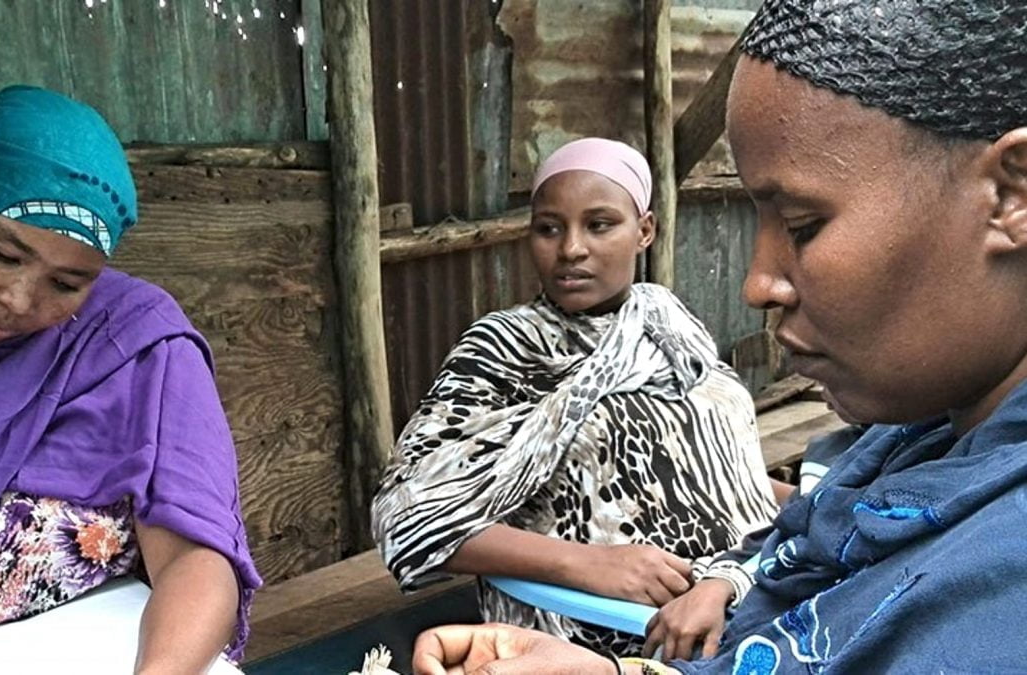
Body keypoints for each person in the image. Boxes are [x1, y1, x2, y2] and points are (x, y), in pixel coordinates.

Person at [409, 0, 1027, 672]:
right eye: (549, 227)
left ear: (1009, 196)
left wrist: (720, 579)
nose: (757, 285)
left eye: (801, 225)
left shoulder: (675, 331)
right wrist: (606, 628)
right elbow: (418, 517)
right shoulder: (916, 443)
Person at [372, 137, 779, 656]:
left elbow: (704, 464)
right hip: (585, 636)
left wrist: (813, 497)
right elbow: (406, 513)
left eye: (599, 224)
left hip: (737, 611)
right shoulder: (506, 349)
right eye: (549, 228)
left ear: (645, 230)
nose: (571, 249)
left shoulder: (673, 330)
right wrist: (589, 565)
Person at [0, 80, 261, 673]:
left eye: (66, 284)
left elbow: (196, 561)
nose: (18, 299)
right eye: (3, 253)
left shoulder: (136, 346)